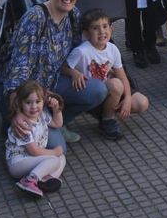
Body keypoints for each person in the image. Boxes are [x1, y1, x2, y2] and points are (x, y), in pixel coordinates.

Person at [0, 0, 108, 146]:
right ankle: (12, 121)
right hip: (23, 90)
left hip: (51, 84)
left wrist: (120, 80)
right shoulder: (35, 18)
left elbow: (84, 48)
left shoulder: (73, 15)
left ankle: (55, 121)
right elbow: (19, 68)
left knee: (98, 90)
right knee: (58, 149)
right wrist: (16, 110)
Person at [64, 9, 150, 141]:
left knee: (142, 103)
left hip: (109, 91)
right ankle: (107, 120)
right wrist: (73, 72)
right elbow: (62, 67)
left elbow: (122, 76)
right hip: (91, 94)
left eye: (105, 26)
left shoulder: (113, 49)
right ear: (86, 34)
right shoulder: (81, 51)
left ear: (112, 28)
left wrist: (127, 99)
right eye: (95, 28)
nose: (102, 32)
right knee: (116, 85)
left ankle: (108, 110)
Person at [4, 80, 66, 198]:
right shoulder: (23, 124)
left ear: (43, 101)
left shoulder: (41, 115)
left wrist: (56, 109)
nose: (34, 107)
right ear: (20, 103)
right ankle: (30, 180)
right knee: (55, 159)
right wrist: (54, 152)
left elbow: (57, 124)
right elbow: (33, 151)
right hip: (18, 163)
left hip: (32, 160)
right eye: (28, 102)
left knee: (62, 158)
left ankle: (44, 180)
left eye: (38, 102)